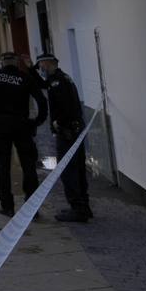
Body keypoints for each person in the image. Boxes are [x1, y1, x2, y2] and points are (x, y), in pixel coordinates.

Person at [0, 51, 49, 218]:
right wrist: (36, 121)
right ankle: (32, 207)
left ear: (2, 62)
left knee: (3, 166)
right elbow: (42, 101)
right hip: (22, 124)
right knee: (28, 166)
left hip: (0, 124)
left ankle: (7, 206)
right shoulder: (24, 78)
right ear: (16, 62)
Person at [40, 53, 92, 222]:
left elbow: (65, 106)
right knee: (78, 168)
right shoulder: (63, 78)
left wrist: (58, 122)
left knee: (68, 170)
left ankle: (77, 208)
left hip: (67, 131)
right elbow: (42, 84)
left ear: (48, 63)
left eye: (42, 64)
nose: (41, 68)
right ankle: (84, 206)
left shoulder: (57, 82)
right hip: (75, 129)